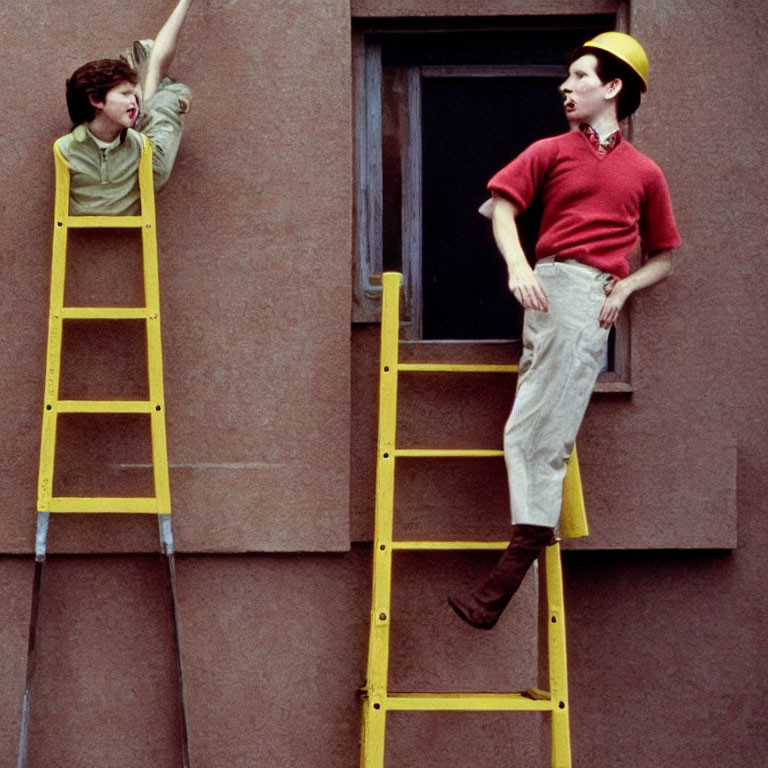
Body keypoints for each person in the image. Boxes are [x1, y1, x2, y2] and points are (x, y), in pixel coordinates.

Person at [448, 32, 682, 630]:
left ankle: (506, 576)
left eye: (579, 76)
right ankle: (512, 567)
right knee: (534, 427)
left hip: (587, 293)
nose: (565, 86)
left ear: (612, 87)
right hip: (546, 291)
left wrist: (626, 287)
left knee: (537, 433)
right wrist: (520, 267)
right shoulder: (550, 150)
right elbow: (501, 207)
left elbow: (665, 255)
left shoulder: (644, 173)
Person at [57, 0, 194, 215]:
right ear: (96, 100)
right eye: (125, 94)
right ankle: (158, 78)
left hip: (136, 145)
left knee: (153, 82)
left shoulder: (133, 140)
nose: (133, 101)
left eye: (132, 94)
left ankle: (148, 69)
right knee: (164, 93)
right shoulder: (68, 148)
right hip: (143, 151)